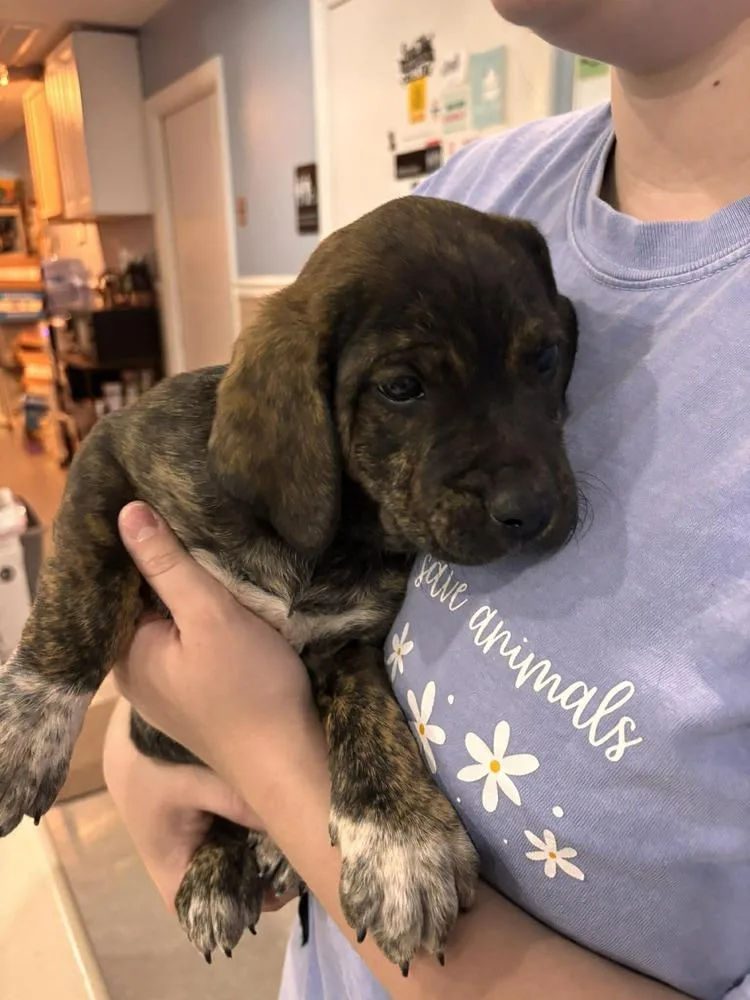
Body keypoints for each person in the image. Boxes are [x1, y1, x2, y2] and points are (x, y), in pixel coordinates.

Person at [102, 2, 750, 998]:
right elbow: (255, 513)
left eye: (543, 364)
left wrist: (265, 755)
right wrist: (149, 735)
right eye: (409, 387)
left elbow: (256, 718)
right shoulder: (480, 198)